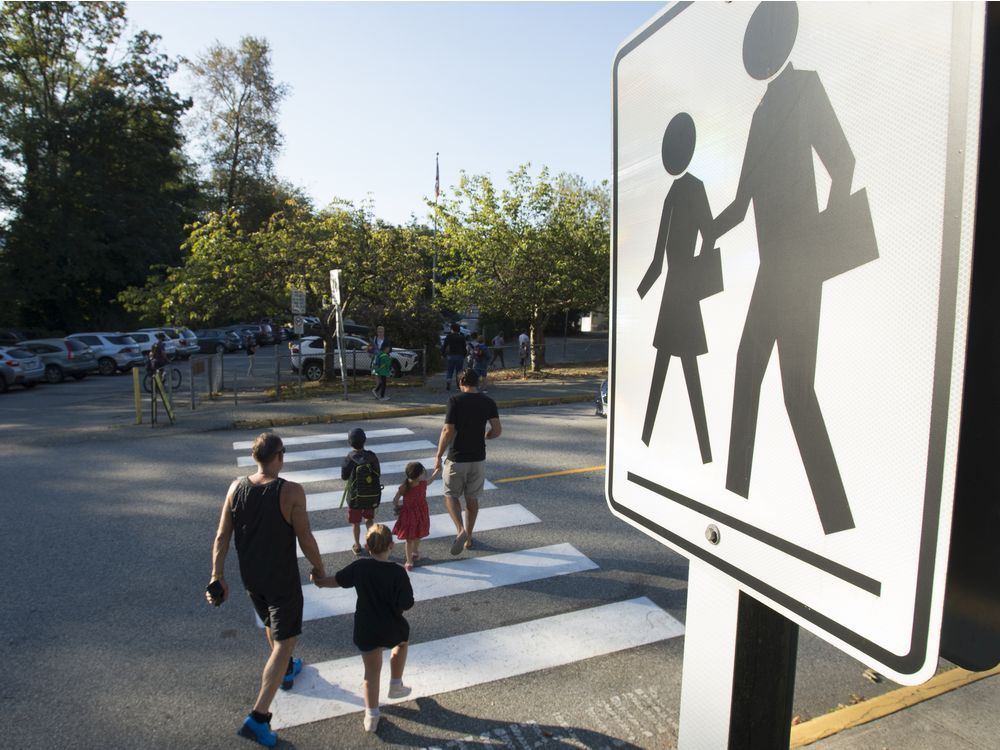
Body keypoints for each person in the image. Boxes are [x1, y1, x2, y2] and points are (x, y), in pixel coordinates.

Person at [206, 432, 326, 748]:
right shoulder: (291, 492)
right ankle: (258, 717)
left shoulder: (236, 488)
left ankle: (286, 670)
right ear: (278, 456)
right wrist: (319, 567)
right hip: (281, 580)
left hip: (251, 580)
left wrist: (217, 576)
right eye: (283, 453)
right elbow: (305, 537)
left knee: (273, 627)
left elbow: (221, 537)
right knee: (286, 640)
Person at [636, 111, 718, 463]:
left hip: (681, 289)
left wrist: (696, 275)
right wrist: (638, 293)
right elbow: (657, 257)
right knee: (665, 367)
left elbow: (710, 233)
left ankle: (705, 451)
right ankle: (646, 439)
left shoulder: (695, 187)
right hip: (674, 290)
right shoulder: (672, 191)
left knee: (688, 371)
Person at [311, 524, 414, 734]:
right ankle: (396, 683)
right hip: (391, 625)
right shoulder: (397, 573)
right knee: (402, 644)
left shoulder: (360, 568)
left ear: (367, 546)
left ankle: (371, 715)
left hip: (366, 627)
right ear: (392, 546)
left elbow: (337, 580)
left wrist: (320, 582)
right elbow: (407, 602)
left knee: (371, 672)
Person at [433, 368, 502, 554]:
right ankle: (469, 538)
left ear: (461, 383)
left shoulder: (455, 401)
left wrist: (439, 455)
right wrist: (484, 436)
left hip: (457, 458)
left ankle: (460, 530)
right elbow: (496, 430)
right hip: (478, 459)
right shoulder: (488, 402)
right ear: (477, 382)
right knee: (472, 499)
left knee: (451, 496)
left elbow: (447, 431)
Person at [342, 427, 382, 556]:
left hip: (355, 497)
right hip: (371, 496)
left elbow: (344, 476)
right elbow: (378, 474)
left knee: (356, 523)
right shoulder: (372, 456)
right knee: (369, 520)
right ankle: (372, 544)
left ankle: (358, 545)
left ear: (349, 442)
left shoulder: (349, 458)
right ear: (365, 441)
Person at [392, 462, 432, 571]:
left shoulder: (404, 486)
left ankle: (410, 559)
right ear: (419, 474)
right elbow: (431, 480)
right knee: (418, 534)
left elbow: (395, 500)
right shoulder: (422, 484)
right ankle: (413, 554)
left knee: (409, 538)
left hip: (408, 514)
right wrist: (438, 470)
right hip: (420, 514)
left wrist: (399, 506)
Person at [441, 322, 467, 391]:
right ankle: (459, 385)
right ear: (459, 329)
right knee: (459, 371)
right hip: (460, 355)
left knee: (450, 370)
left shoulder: (449, 336)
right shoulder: (462, 337)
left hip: (451, 355)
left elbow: (444, 346)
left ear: (452, 329)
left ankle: (449, 381)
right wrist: (464, 354)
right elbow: (464, 347)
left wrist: (442, 354)